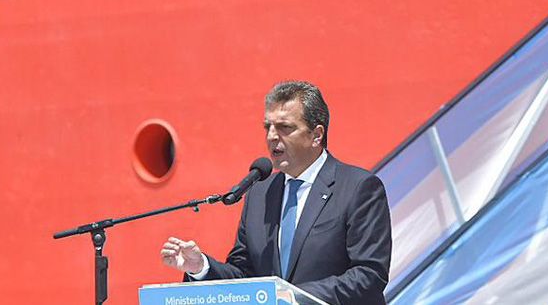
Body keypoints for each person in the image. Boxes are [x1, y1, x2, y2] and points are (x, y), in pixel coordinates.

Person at [160, 81, 391, 304]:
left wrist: (290, 297)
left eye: (284, 127)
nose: (271, 136)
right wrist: (200, 267)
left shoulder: (359, 188)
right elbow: (244, 276)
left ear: (316, 135)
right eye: (268, 127)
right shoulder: (260, 193)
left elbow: (369, 275)